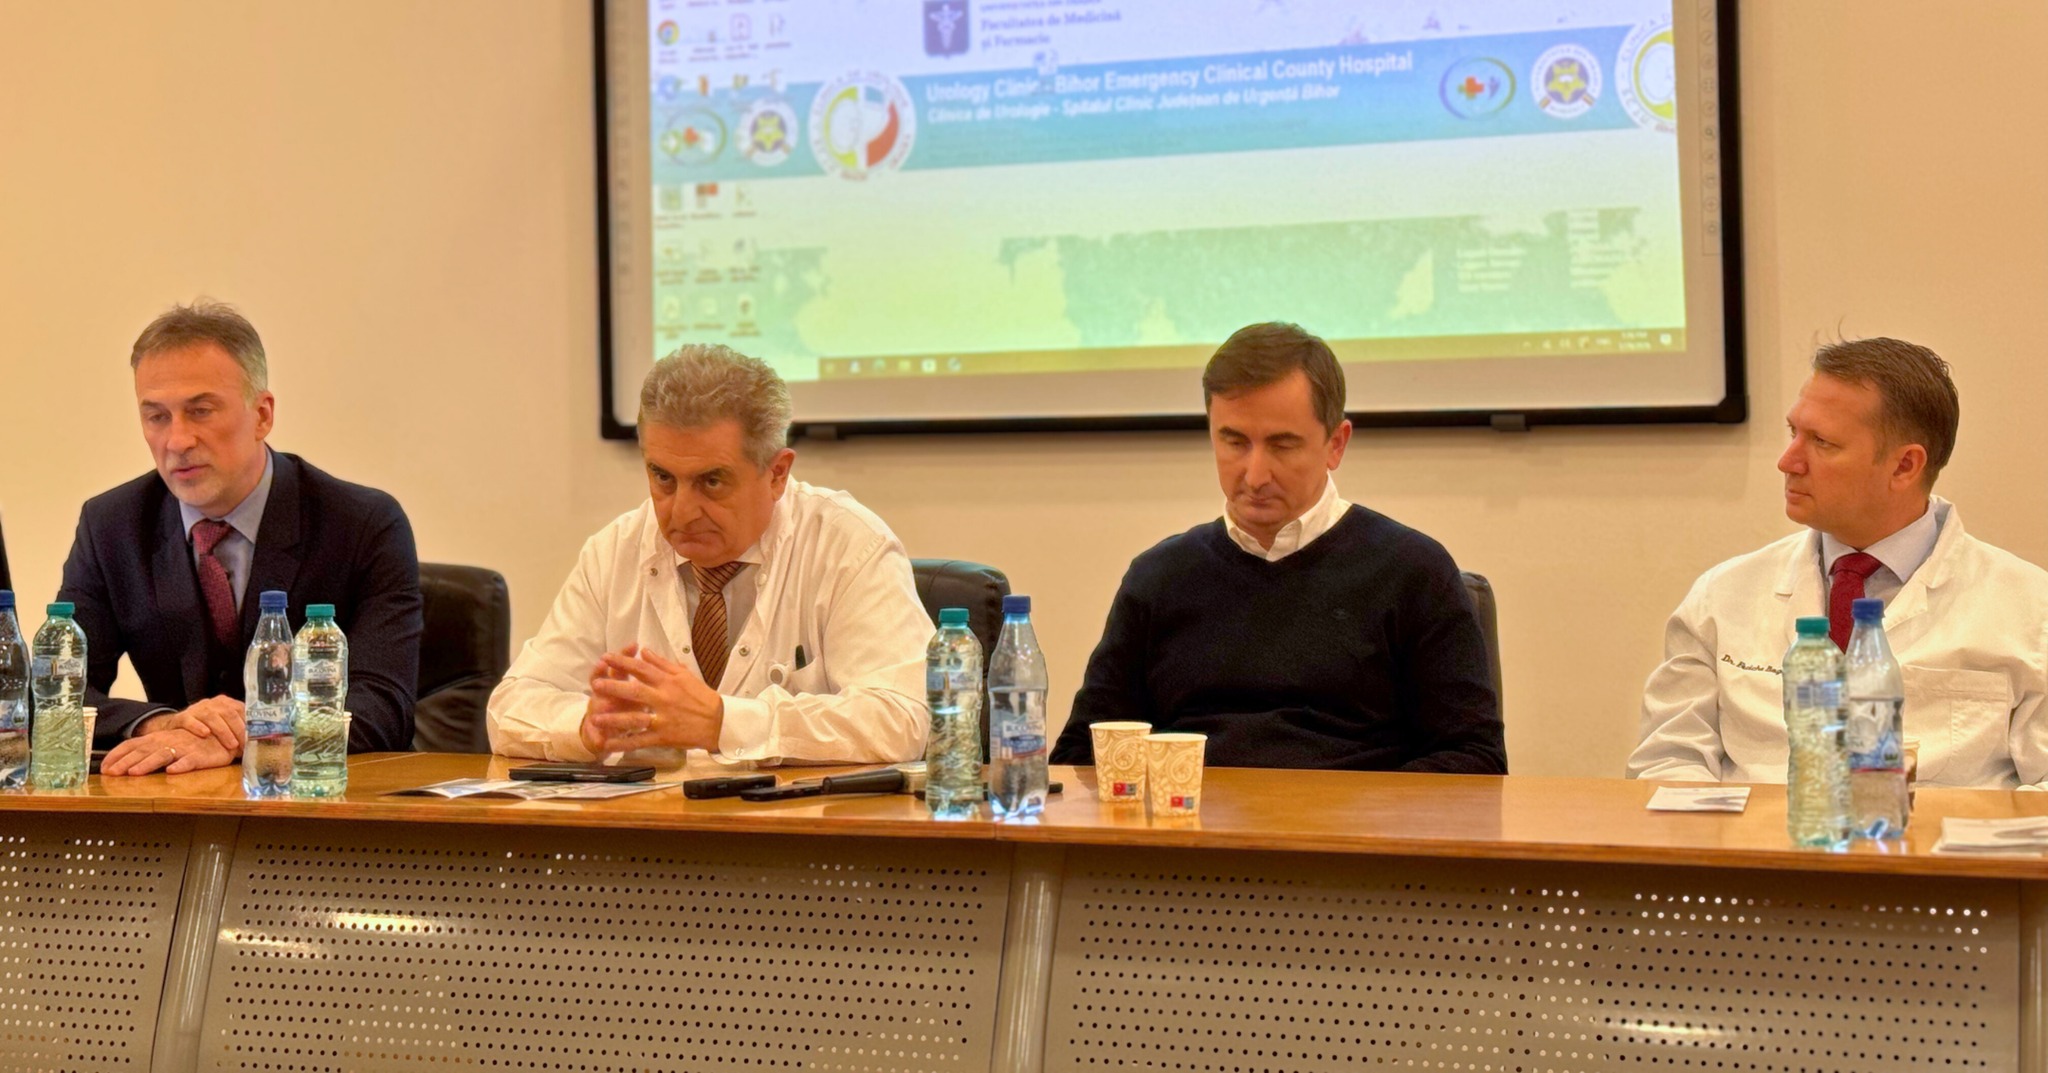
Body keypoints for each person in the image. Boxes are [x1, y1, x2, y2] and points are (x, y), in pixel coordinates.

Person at [1048, 322, 1505, 772]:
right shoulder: (1158, 577)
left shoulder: (1413, 572)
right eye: (1234, 442)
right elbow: (1084, 755)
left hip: (1352, 817)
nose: (1255, 475)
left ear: (1336, 445)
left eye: (1282, 445)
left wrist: (1363, 810)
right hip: (1191, 817)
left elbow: (1475, 759)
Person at [1630, 337, 2048, 788]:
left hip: (1939, 833)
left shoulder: (2030, 609)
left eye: (1822, 442)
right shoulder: (1723, 595)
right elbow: (1666, 764)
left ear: (1904, 466)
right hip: (1756, 831)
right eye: (1793, 433)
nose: (1787, 462)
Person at [487, 344, 930, 764]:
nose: (681, 512)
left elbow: (903, 718)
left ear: (777, 474)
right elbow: (510, 708)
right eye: (663, 477)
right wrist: (586, 726)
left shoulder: (848, 546)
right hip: (651, 817)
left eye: (711, 482)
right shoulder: (615, 551)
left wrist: (723, 723)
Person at [60, 300, 422, 775]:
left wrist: (248, 734)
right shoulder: (113, 525)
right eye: (157, 417)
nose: (177, 441)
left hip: (319, 801)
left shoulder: (362, 524)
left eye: (201, 411)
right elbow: (55, 693)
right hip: (178, 797)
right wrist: (164, 724)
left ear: (262, 415)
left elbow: (383, 705)